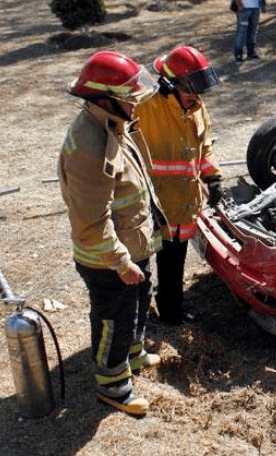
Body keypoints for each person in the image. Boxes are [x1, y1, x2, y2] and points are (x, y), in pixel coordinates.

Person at [58, 51, 166, 417]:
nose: (136, 105)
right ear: (104, 99)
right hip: (107, 258)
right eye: (129, 98)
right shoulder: (88, 147)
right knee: (113, 319)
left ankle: (133, 354)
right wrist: (120, 262)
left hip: (131, 247)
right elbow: (91, 222)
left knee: (138, 304)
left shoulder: (112, 123)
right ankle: (113, 385)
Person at [135, 45, 223, 325]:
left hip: (182, 205)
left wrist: (213, 177)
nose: (194, 95)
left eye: (198, 88)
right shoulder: (145, 106)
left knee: (174, 262)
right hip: (151, 205)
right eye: (189, 88)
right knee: (140, 265)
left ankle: (170, 311)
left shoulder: (196, 107)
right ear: (169, 84)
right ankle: (138, 318)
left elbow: (203, 148)